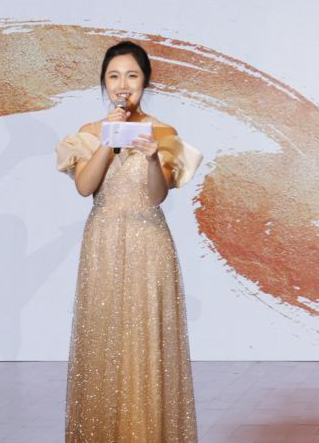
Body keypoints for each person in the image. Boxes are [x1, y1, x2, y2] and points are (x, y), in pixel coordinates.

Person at [55, 40, 201, 443]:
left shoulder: (164, 133)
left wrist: (153, 157)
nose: (123, 85)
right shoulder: (87, 134)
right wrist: (108, 140)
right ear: (104, 83)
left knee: (145, 344)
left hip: (149, 244)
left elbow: (157, 196)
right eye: (114, 76)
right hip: (102, 245)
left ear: (145, 82)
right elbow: (85, 187)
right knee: (102, 341)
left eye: (132, 76)